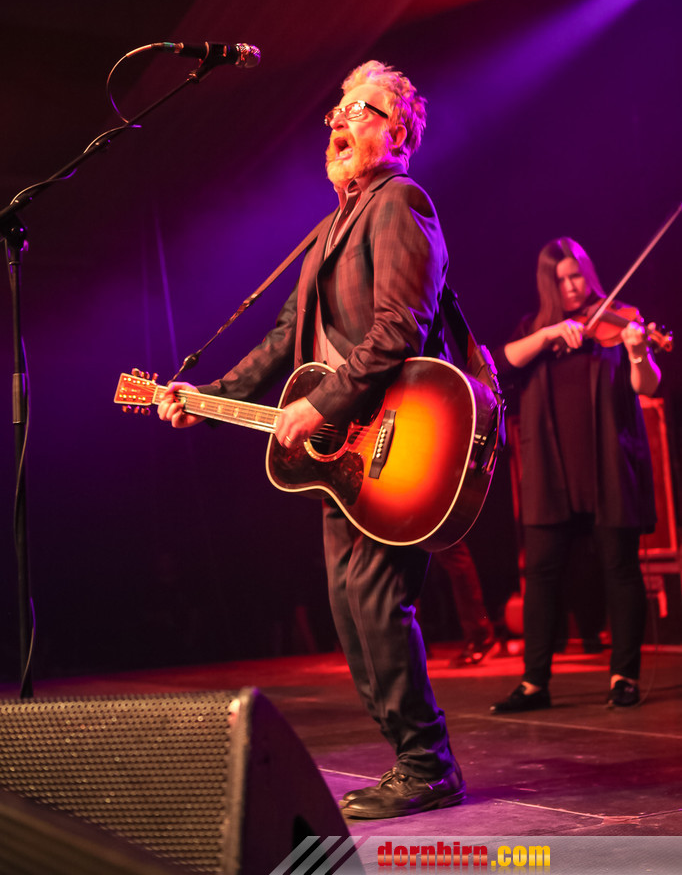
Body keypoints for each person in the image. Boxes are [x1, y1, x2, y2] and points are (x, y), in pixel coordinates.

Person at [158, 61, 465, 819]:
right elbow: (280, 341)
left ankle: (427, 764)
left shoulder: (401, 201)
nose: (338, 120)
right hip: (345, 455)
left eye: (359, 110)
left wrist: (323, 400)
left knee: (376, 600)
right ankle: (415, 760)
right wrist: (210, 399)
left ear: (397, 134)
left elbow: (401, 327)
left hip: (398, 438)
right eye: (336, 110)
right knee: (351, 604)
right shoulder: (328, 231)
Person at [491, 237, 660, 714]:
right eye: (560, 279)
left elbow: (648, 384)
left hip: (608, 467)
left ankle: (624, 676)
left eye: (576, 275)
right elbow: (502, 363)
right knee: (541, 575)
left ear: (588, 273)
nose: (570, 286)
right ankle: (533, 684)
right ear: (548, 283)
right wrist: (549, 334)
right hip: (552, 474)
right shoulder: (535, 330)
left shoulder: (620, 320)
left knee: (620, 569)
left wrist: (638, 352)